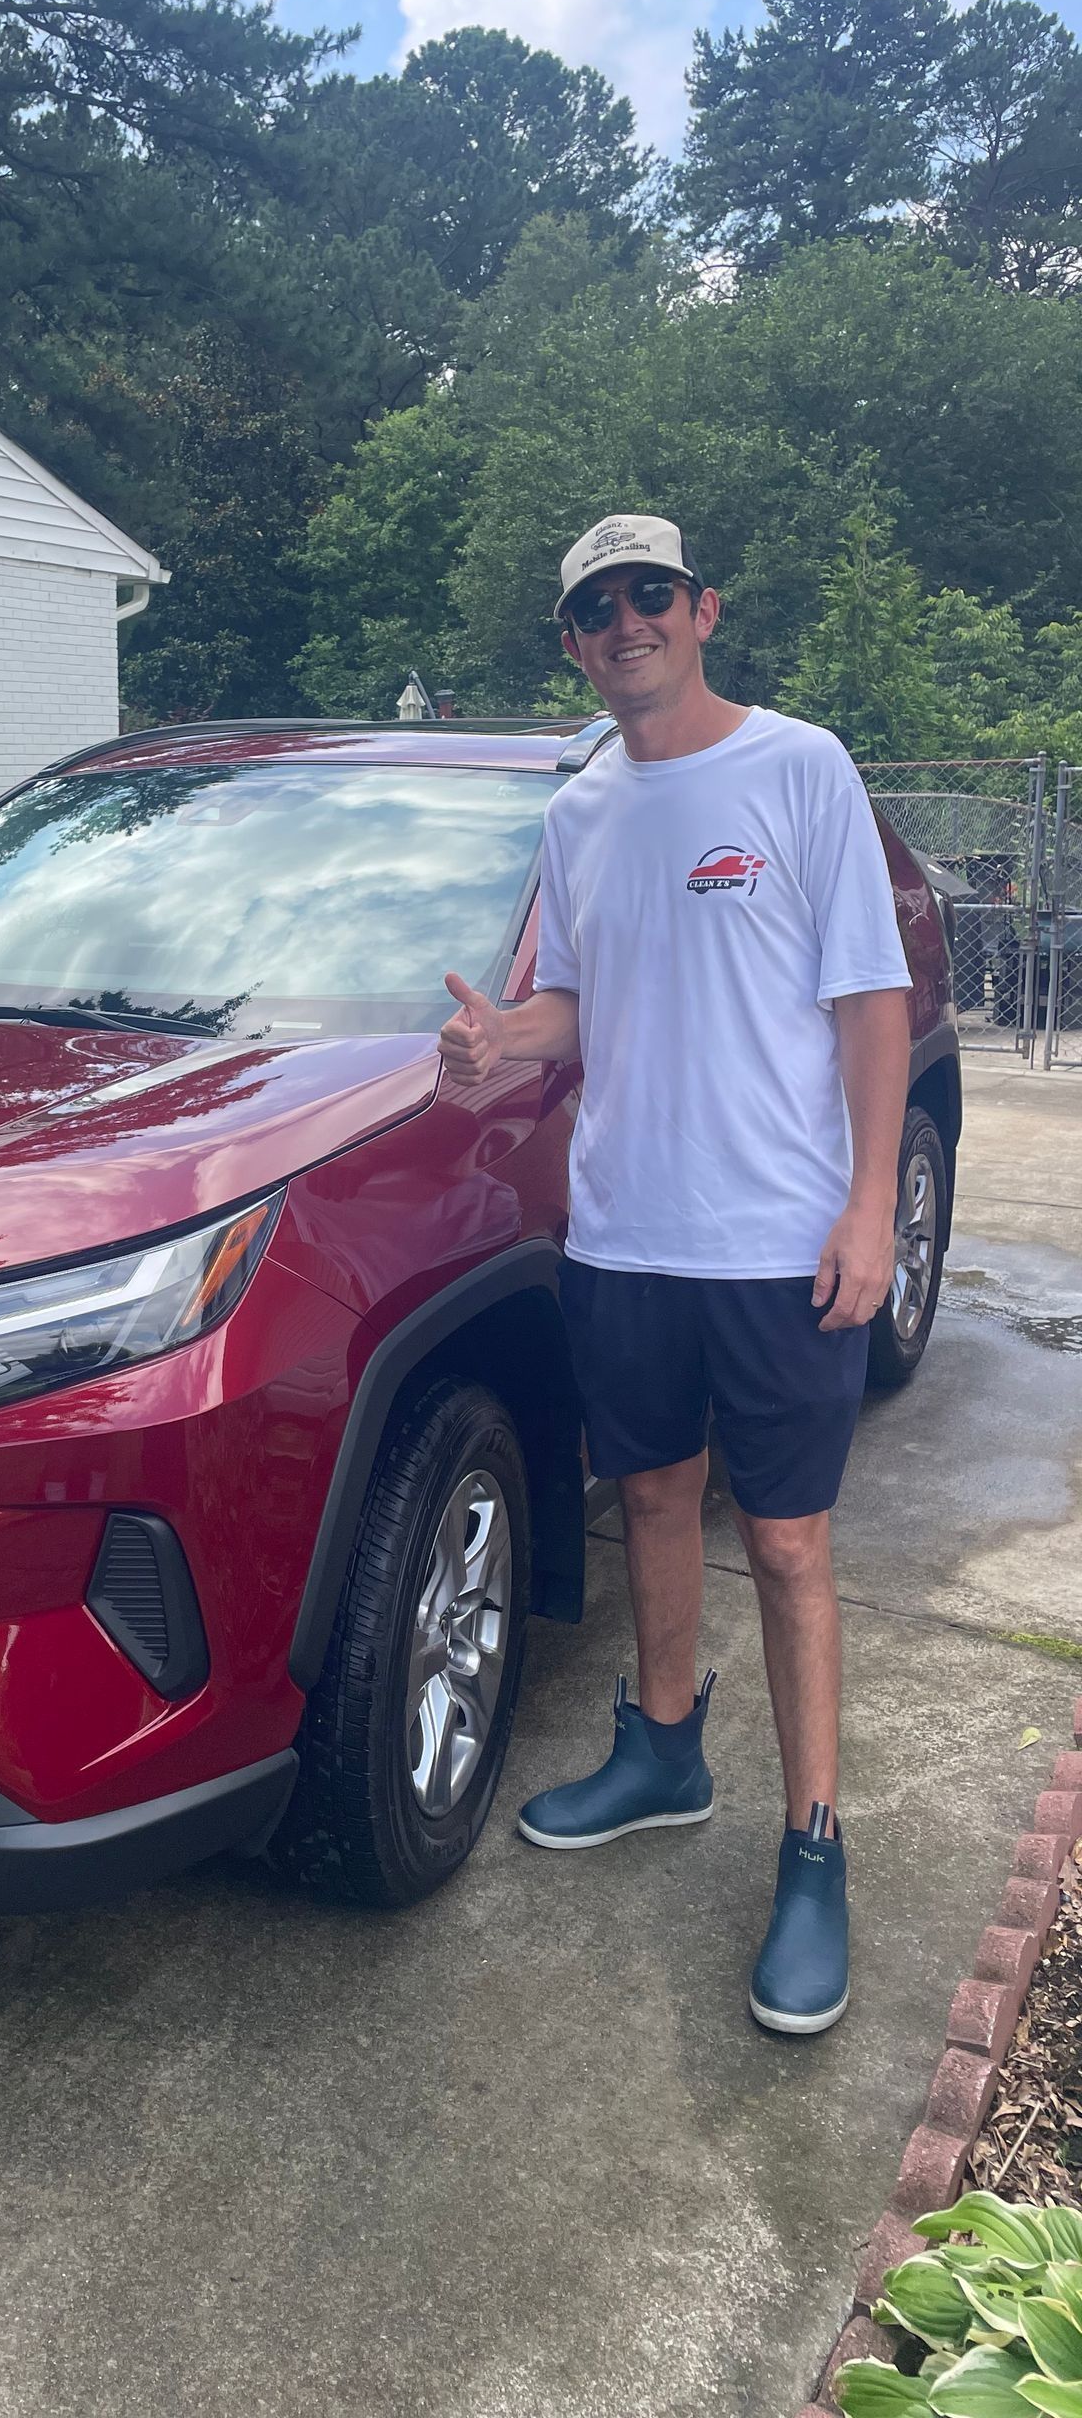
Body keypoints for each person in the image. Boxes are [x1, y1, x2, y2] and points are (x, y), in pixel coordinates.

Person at [440, 513, 912, 2036]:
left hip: (778, 1241)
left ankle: (816, 1847)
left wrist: (867, 1212)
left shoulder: (798, 768)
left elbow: (871, 1008)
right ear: (574, 643)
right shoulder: (581, 813)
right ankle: (662, 1750)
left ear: (702, 610)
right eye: (595, 609)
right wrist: (493, 1043)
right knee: (648, 1495)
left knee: (785, 1549)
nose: (625, 622)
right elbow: (575, 1000)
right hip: (625, 1230)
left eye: (649, 595)